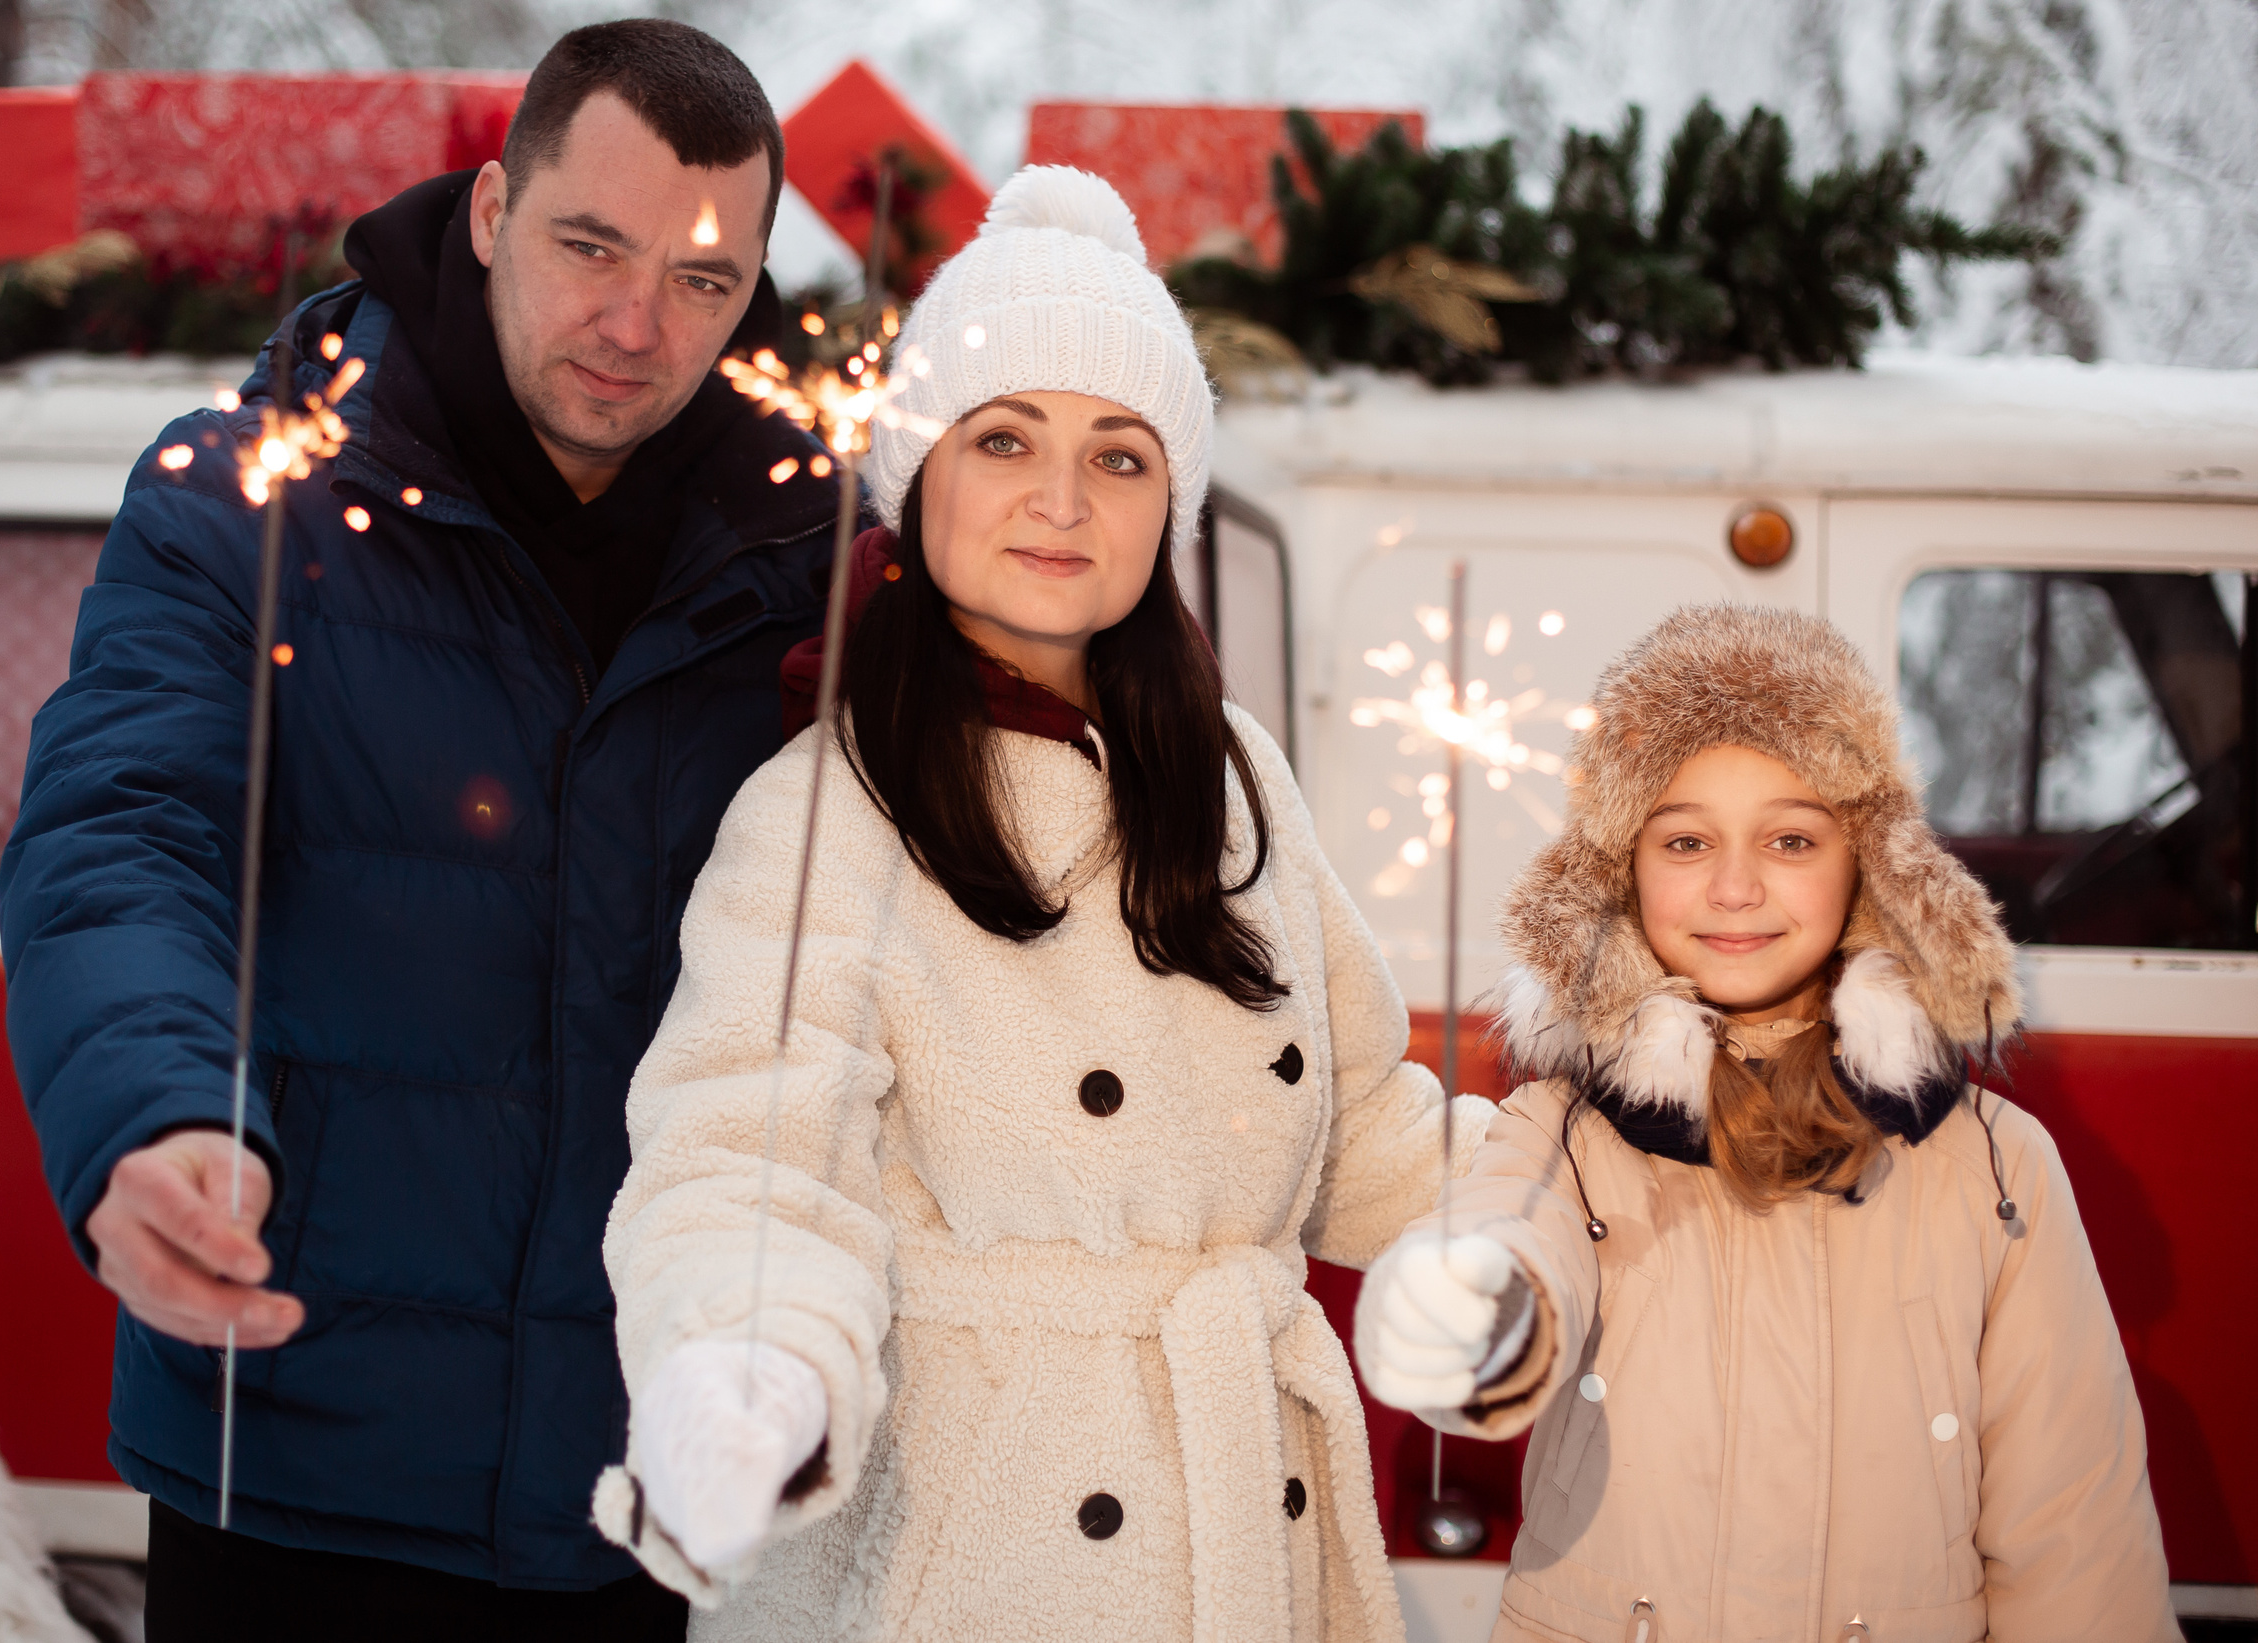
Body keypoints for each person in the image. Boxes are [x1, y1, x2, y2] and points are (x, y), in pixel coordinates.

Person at [1, 20, 837, 1640]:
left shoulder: (811, 559)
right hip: (299, 1448)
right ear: (487, 211)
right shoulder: (249, 499)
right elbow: (122, 826)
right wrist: (155, 1109)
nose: (634, 321)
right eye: (591, 244)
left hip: (648, 1487)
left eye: (702, 280)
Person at [588, 165, 1490, 1642]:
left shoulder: (1236, 774)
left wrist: (1508, 1235)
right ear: (918, 474)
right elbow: (744, 1162)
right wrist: (743, 1373)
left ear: (1171, 506)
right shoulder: (831, 803)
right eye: (1005, 438)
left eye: (1121, 456)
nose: (1063, 501)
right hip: (958, 1551)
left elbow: (1356, 1116)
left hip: (1242, 1535)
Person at [1352, 605, 2180, 1641]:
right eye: (1686, 840)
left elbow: (2072, 1519)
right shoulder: (1562, 1132)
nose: (1735, 887)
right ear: (1622, 871)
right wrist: (1463, 1315)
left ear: (1868, 865)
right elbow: (1509, 1249)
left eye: (1790, 838)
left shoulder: (1991, 1161)